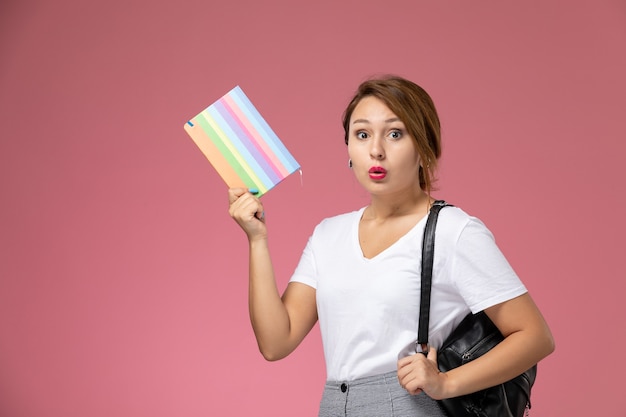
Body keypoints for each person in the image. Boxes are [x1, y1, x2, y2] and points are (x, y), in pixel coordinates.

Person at [228, 75, 555, 416]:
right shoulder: (328, 235)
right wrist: (257, 239)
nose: (376, 150)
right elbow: (276, 342)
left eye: (395, 133)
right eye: (362, 134)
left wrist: (447, 383)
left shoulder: (453, 231)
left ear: (424, 146)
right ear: (349, 149)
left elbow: (534, 336)